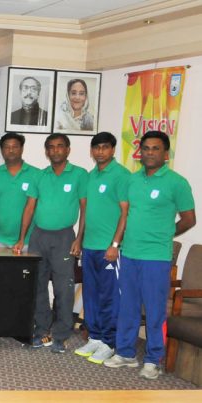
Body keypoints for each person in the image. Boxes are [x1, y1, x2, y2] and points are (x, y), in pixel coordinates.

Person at [104, 131, 196, 380]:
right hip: (130, 253)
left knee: (155, 310)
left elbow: (190, 219)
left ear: (166, 154)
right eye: (145, 148)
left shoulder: (177, 182)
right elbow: (126, 215)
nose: (150, 153)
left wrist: (166, 234)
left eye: (155, 149)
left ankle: (153, 359)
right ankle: (125, 353)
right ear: (140, 152)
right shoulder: (132, 181)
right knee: (128, 307)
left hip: (156, 257)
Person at [15, 133, 88, 353]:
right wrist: (21, 238)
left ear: (68, 150)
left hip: (64, 237)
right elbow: (29, 207)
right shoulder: (40, 176)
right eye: (51, 147)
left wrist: (79, 238)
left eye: (60, 147)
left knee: (63, 288)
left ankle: (60, 335)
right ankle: (41, 331)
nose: (55, 151)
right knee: (37, 285)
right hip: (38, 236)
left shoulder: (79, 175)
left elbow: (85, 208)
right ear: (47, 152)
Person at [75, 132, 129, 364]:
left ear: (113, 150)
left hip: (110, 249)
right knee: (91, 295)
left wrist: (115, 244)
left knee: (109, 297)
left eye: (105, 147)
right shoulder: (90, 176)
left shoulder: (121, 176)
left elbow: (125, 212)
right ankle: (95, 338)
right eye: (96, 148)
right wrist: (79, 239)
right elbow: (86, 212)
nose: (100, 152)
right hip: (90, 246)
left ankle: (109, 342)